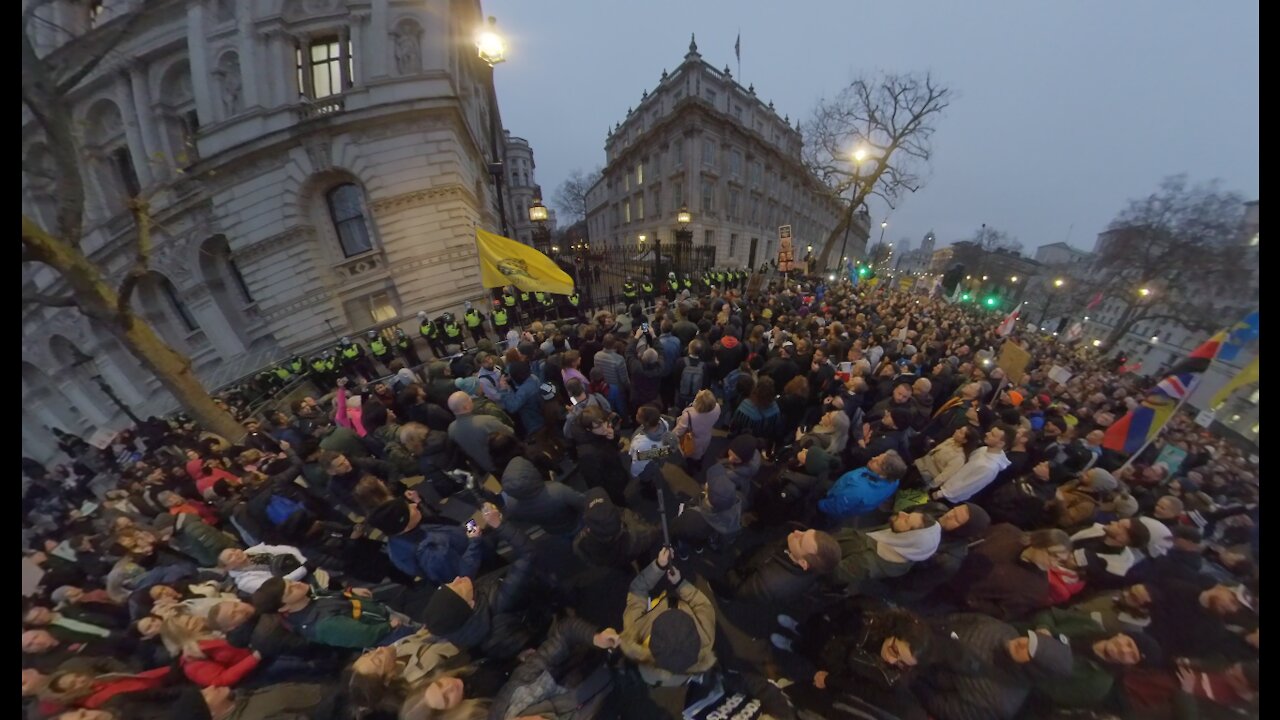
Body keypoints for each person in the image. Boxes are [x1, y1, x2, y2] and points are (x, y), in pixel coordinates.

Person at [415, 502, 544, 661]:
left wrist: (474, 538)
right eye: (457, 587)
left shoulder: (463, 628)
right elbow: (529, 554)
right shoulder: (500, 599)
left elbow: (466, 573)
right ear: (470, 605)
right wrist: (500, 525)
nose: (457, 578)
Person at [620, 547, 717, 691]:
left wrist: (658, 566)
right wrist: (680, 584)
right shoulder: (706, 639)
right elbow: (701, 604)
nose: (672, 608)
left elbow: (637, 590)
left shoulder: (635, 633)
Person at [931, 425, 1014, 503]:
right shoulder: (984, 449)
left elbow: (968, 486)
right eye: (990, 432)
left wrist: (941, 494)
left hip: (948, 496)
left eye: (992, 435)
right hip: (943, 485)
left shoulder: (990, 467)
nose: (987, 434)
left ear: (1001, 444)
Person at [818, 451, 909, 522]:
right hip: (846, 496)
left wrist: (818, 504)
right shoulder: (894, 481)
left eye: (877, 463)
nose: (873, 458)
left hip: (831, 502)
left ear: (884, 475)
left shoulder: (857, 490)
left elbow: (834, 507)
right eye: (878, 456)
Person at [446, 391, 513, 475]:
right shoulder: (487, 421)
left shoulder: (451, 429)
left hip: (485, 467)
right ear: (466, 407)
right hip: (506, 462)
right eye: (469, 400)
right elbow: (510, 432)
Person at [672, 389, 721, 472]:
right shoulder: (717, 408)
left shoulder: (689, 415)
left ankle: (690, 471)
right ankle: (699, 465)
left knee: (691, 457)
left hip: (693, 440)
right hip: (706, 436)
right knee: (701, 454)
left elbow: (678, 431)